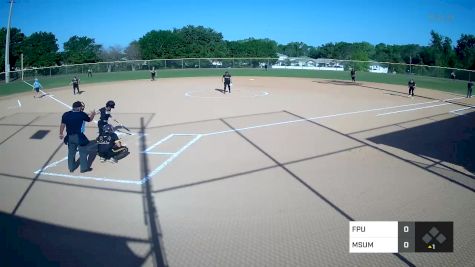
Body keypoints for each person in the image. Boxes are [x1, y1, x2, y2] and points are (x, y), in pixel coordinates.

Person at [59, 101, 96, 173]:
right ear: (79, 108)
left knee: (71, 153)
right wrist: (93, 114)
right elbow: (89, 119)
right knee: (83, 152)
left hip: (69, 137)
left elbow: (62, 124)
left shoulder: (66, 114)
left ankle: (71, 168)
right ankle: (84, 168)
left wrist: (61, 133)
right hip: (79, 137)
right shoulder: (81, 114)